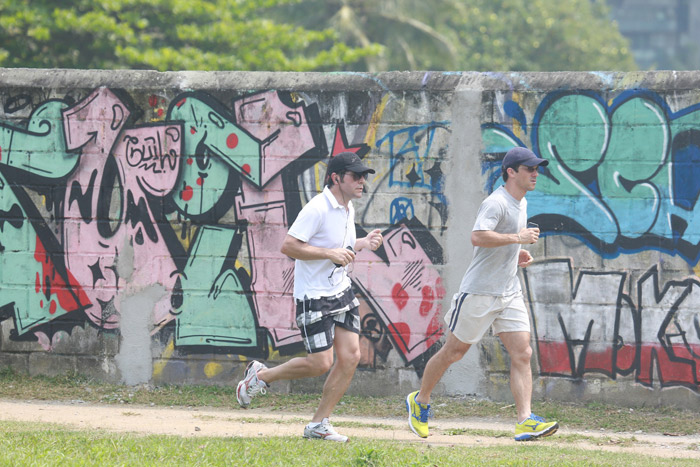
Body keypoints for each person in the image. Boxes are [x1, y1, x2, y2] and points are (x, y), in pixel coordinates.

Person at [406, 146, 559, 442]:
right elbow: (477, 236)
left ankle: (525, 420)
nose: (535, 174)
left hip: (508, 290)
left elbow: (497, 242)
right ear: (511, 172)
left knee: (522, 352)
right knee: (454, 352)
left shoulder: (521, 202)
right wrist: (517, 238)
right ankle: (420, 400)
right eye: (529, 168)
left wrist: (515, 253)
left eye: (537, 168)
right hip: (479, 291)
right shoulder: (496, 202)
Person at [235, 151, 383, 442]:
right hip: (314, 297)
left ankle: (319, 424)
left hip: (341, 292)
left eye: (364, 176)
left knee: (351, 356)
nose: (361, 181)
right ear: (336, 178)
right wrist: (330, 253)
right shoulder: (317, 208)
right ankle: (260, 377)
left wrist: (363, 243)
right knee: (320, 363)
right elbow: (289, 246)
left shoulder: (347, 208)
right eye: (355, 176)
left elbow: (339, 244)